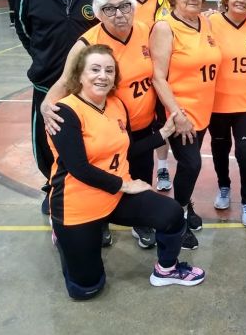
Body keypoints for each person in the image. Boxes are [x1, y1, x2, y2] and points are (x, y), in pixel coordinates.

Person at [48, 44, 205, 300]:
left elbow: (126, 149)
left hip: (114, 197)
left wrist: (161, 135)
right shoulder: (64, 111)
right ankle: (64, 235)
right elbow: (79, 169)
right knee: (86, 289)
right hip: (79, 202)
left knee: (172, 213)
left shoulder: (116, 104)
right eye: (95, 69)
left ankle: (166, 270)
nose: (103, 75)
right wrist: (125, 185)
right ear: (79, 75)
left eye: (109, 70)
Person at [41, 0, 161, 249]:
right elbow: (63, 83)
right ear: (98, 13)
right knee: (102, 174)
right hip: (107, 128)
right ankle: (100, 221)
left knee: (141, 172)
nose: (119, 14)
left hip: (142, 123)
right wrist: (46, 107)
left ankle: (140, 223)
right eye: (109, 9)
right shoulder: (88, 42)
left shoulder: (146, 30)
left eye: (124, 6)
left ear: (134, 7)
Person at [15, 0, 98, 215]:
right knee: (45, 141)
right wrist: (43, 58)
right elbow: (24, 31)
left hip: (87, 87)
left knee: (89, 141)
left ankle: (88, 188)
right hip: (46, 83)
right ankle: (52, 186)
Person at [151, 0, 221, 250]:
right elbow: (157, 76)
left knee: (188, 167)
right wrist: (177, 114)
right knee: (192, 164)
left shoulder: (205, 21)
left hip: (203, 110)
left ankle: (186, 204)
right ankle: (177, 218)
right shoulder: (165, 28)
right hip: (180, 113)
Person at [209, 0, 246, 226]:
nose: (241, 0)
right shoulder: (209, 22)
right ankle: (224, 186)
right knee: (220, 148)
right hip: (217, 102)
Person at [125, 0, 174, 191]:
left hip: (163, 71)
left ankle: (162, 167)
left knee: (160, 121)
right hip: (133, 72)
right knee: (135, 123)